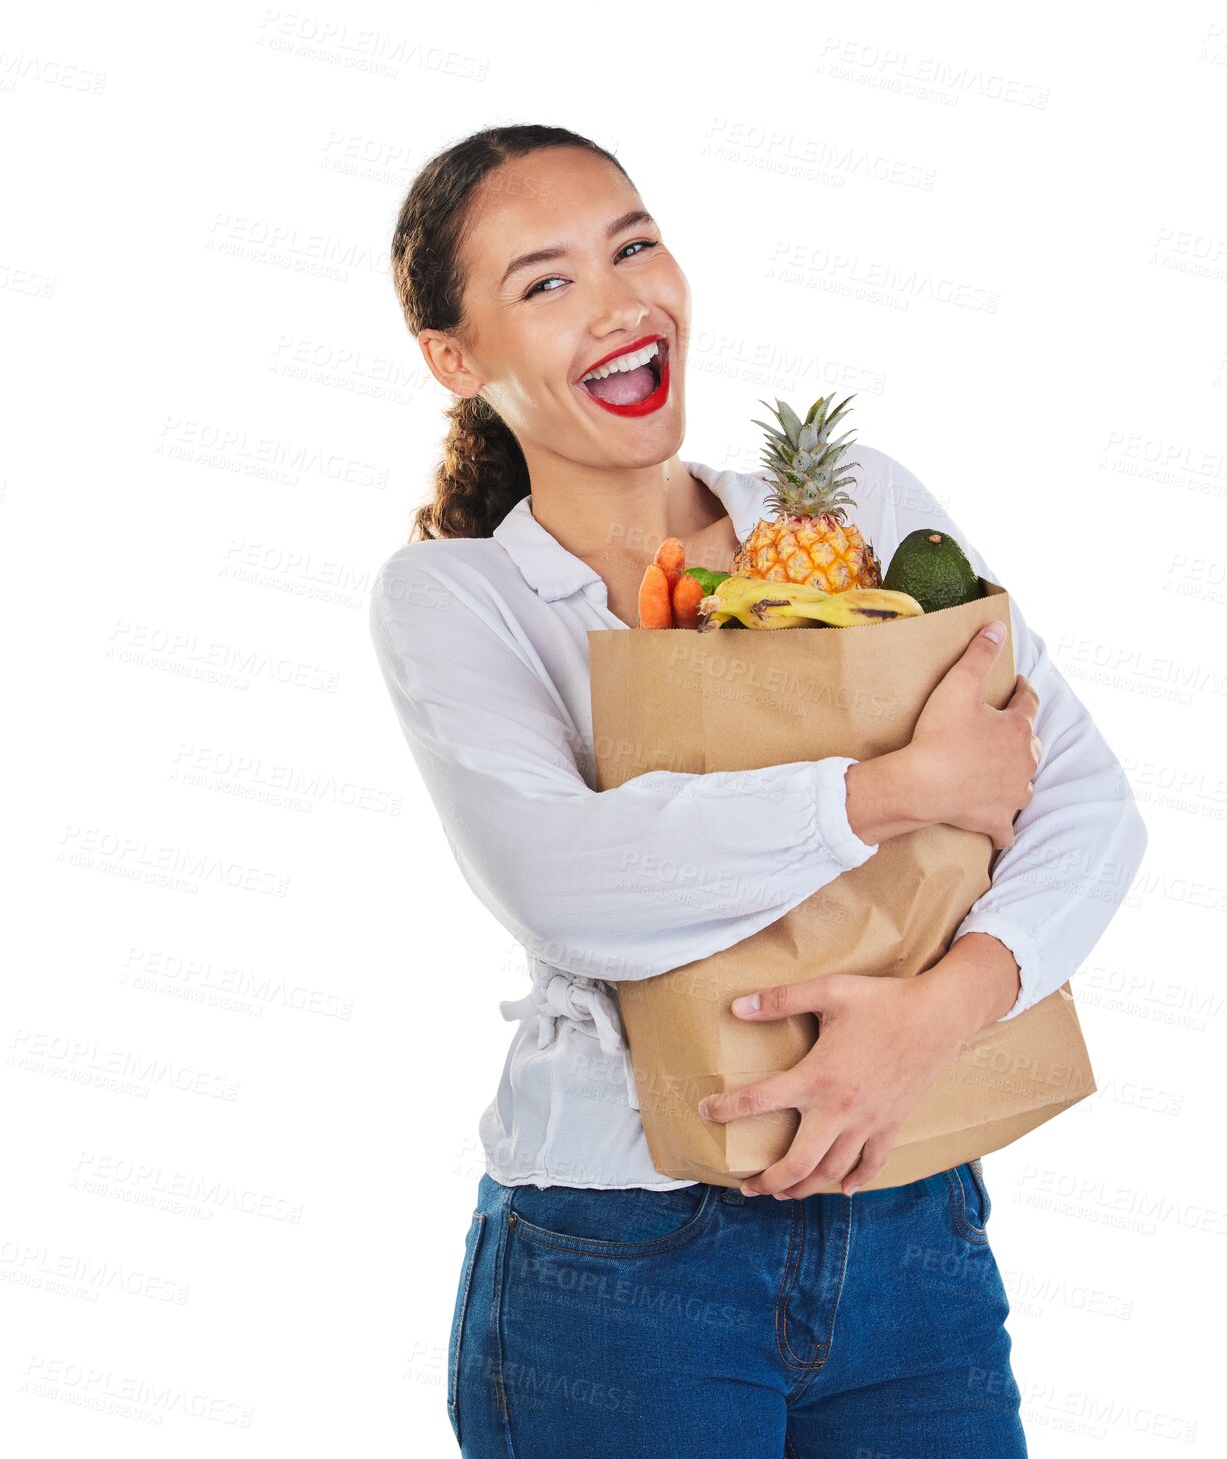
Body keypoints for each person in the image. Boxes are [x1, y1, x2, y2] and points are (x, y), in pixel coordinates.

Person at [370, 124, 1148, 1458]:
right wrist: (892, 792)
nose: (618, 300)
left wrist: (931, 1015)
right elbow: (568, 888)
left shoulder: (858, 514)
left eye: (632, 245)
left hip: (915, 1217)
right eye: (544, 282)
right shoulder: (459, 597)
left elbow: (1086, 803)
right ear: (455, 358)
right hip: (620, 1253)